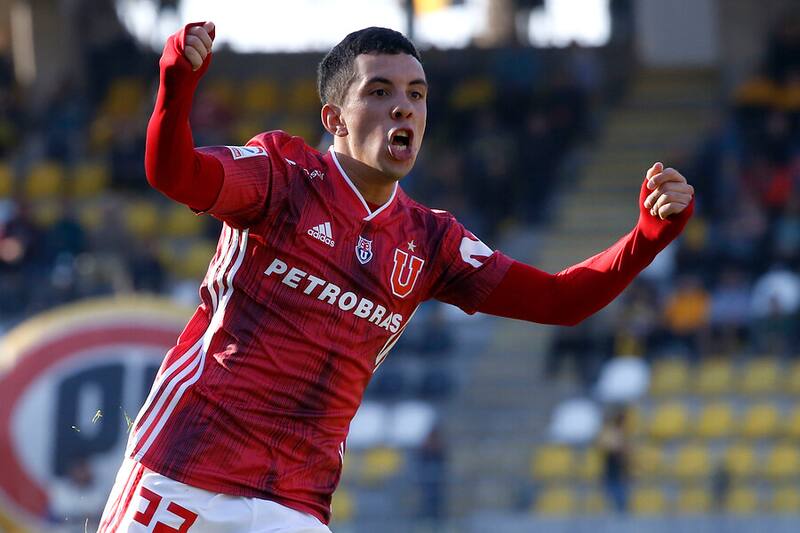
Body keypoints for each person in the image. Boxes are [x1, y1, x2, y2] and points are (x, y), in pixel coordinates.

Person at [98, 21, 695, 532]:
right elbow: (174, 173)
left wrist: (647, 237)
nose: (403, 106)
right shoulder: (284, 175)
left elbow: (560, 301)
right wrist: (176, 83)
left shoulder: (432, 241)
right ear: (334, 117)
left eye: (417, 94)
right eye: (379, 91)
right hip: (185, 468)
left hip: (294, 505)